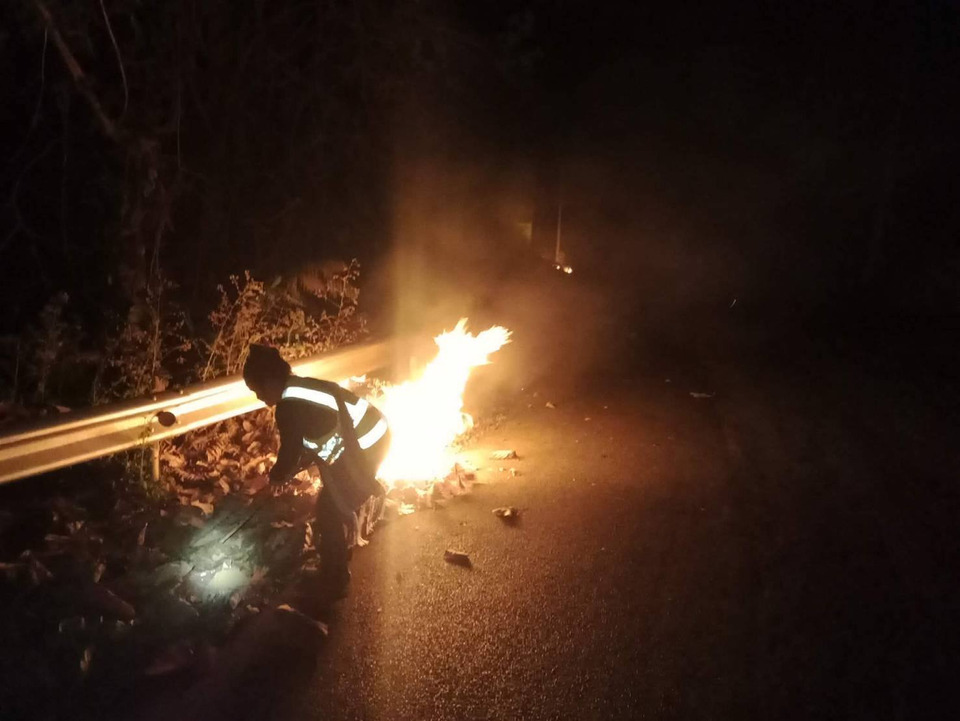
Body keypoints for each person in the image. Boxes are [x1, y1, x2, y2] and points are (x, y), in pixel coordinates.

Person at [242, 344, 390, 604]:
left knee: (328, 509)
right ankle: (337, 559)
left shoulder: (288, 406)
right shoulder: (298, 388)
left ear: (270, 381)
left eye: (258, 390)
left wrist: (277, 477)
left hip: (367, 441)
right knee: (334, 497)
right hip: (375, 432)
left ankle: (335, 580)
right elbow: (309, 443)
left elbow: (291, 449)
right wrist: (285, 473)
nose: (258, 397)